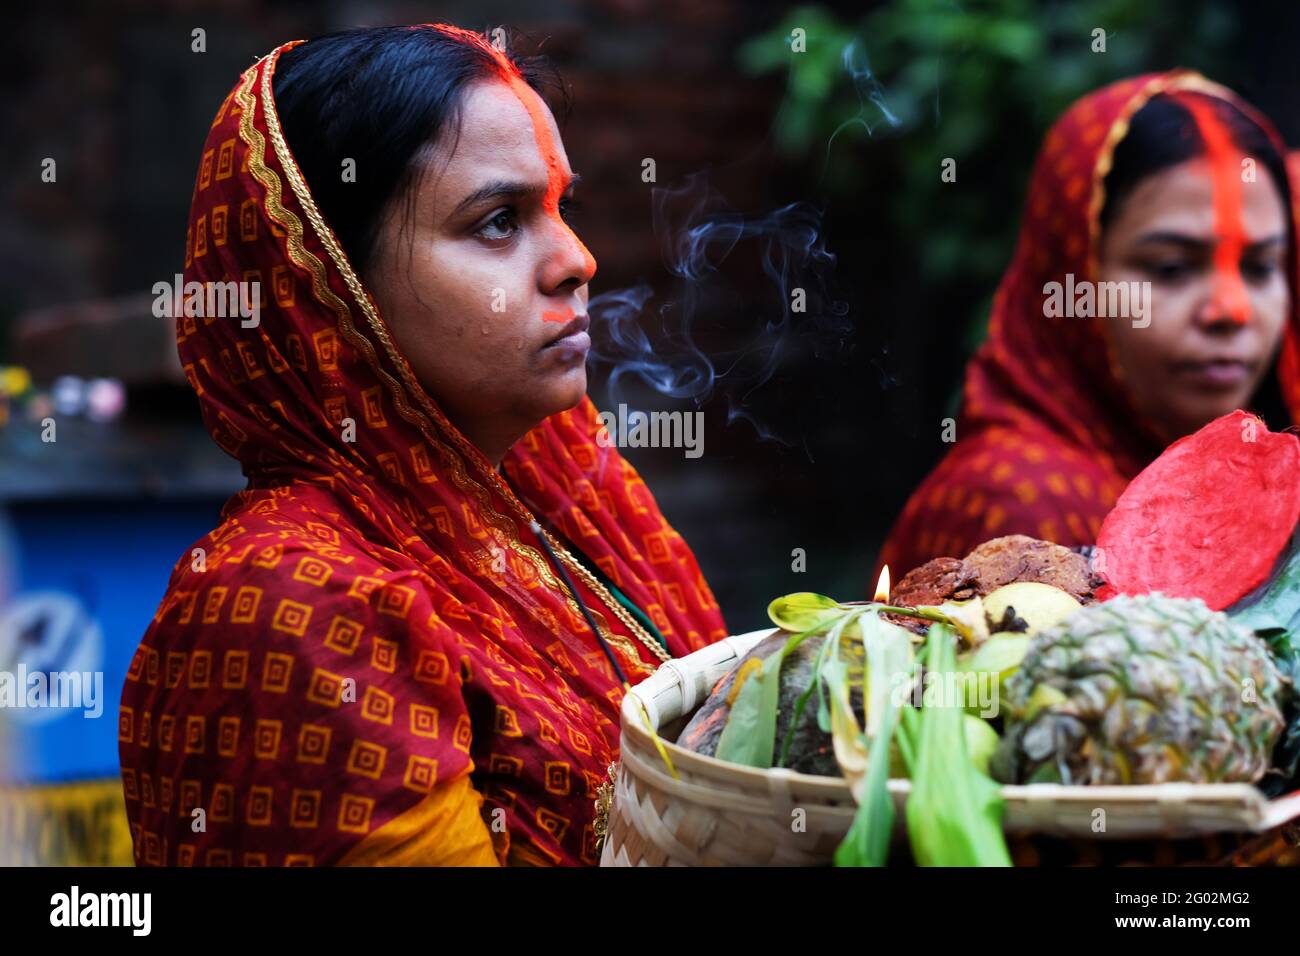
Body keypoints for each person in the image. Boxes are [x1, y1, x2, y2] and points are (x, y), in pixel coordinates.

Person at [118, 24, 728, 867]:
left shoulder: (574, 506)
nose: (577, 261)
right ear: (329, 290)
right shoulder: (289, 605)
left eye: (561, 210)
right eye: (498, 222)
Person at [879, 72, 1300, 578]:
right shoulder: (1026, 510)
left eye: (1258, 268)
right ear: (1075, 274)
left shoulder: (1243, 488)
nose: (1232, 311)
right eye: (1171, 268)